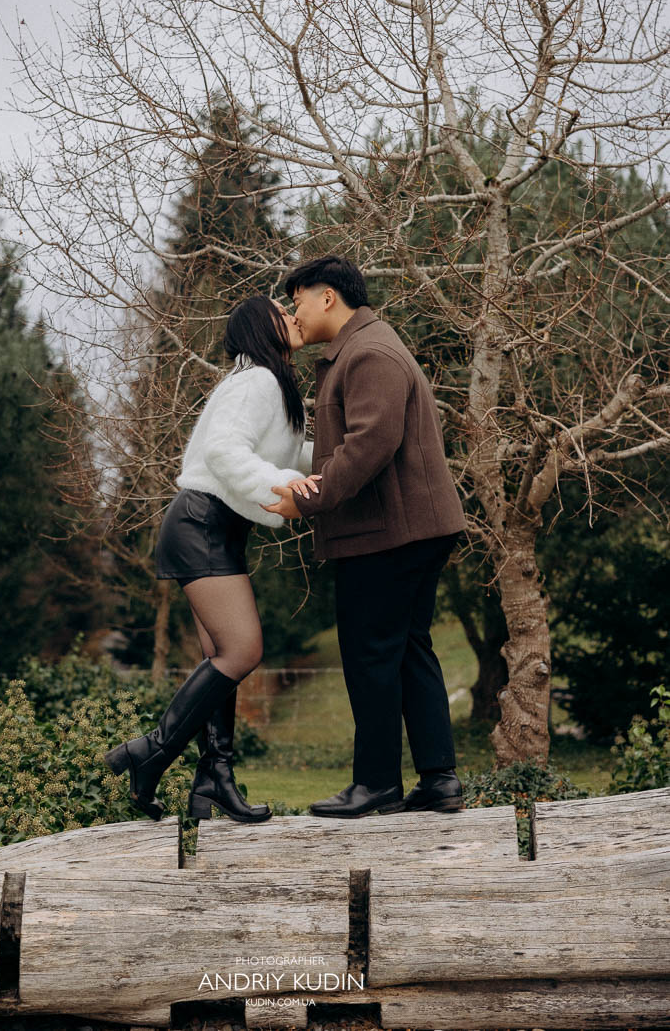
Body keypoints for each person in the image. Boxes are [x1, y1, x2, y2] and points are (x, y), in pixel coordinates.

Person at [263, 256, 466, 818]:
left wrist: (307, 499)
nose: (293, 314)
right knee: (408, 651)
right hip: (408, 530)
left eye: (297, 300)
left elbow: (370, 443)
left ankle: (376, 784)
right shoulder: (363, 348)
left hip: (390, 535)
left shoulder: (369, 352)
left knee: (370, 655)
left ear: (327, 297)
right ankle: (439, 780)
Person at [104, 295, 318, 824]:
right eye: (281, 311)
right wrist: (284, 488)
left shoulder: (266, 383)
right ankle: (149, 751)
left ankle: (212, 781)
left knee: (220, 657)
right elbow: (225, 451)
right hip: (203, 523)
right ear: (258, 328)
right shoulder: (258, 381)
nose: (292, 316)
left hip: (212, 527)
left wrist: (338, 460)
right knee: (243, 651)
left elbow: (286, 456)